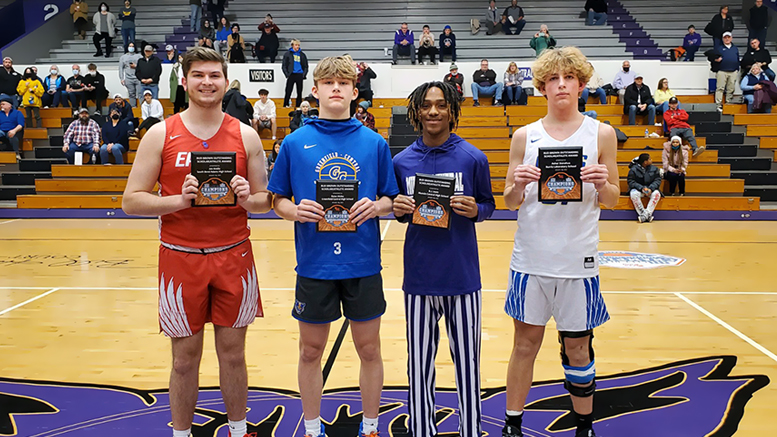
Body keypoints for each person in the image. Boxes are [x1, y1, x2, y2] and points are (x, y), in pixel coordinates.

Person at [122, 46, 272, 437]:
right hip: (180, 258)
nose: (207, 82)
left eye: (214, 75)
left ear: (225, 81)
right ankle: (181, 433)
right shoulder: (161, 133)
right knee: (184, 360)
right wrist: (178, 200)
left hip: (234, 256)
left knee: (234, 355)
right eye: (199, 75)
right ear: (185, 81)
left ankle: (240, 431)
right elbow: (131, 200)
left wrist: (245, 196)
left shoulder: (246, 135)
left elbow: (263, 201)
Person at [267, 55, 399, 437]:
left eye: (343, 83)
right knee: (310, 351)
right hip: (314, 264)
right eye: (328, 83)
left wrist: (377, 206)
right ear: (315, 90)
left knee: (370, 350)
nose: (336, 88)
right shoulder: (294, 142)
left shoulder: (374, 142)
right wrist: (294, 210)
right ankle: (312, 429)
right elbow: (277, 200)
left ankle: (371, 427)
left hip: (362, 263)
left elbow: (391, 199)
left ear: (355, 92)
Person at [501, 46, 620, 437]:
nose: (562, 85)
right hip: (531, 259)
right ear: (542, 88)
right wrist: (518, 183)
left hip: (578, 260)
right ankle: (512, 425)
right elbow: (509, 200)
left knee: (578, 348)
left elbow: (613, 198)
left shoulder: (601, 133)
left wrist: (604, 183)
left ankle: (584, 425)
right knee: (524, 346)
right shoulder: (525, 135)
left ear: (582, 84)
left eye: (569, 78)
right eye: (553, 79)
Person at [393, 80, 494, 437]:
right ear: (416, 112)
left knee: (468, 364)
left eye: (440, 105)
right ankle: (422, 430)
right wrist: (398, 208)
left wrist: (475, 210)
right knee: (419, 366)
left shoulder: (472, 157)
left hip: (463, 278)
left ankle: (471, 430)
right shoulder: (401, 162)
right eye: (426, 105)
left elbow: (489, 205)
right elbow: (398, 211)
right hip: (419, 279)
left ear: (452, 110)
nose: (433, 111)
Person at [627, 153, 662, 223]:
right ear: (645, 162)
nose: (651, 160)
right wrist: (642, 188)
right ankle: (645, 214)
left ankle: (645, 215)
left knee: (657, 194)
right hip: (638, 190)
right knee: (633, 194)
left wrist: (651, 189)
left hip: (650, 190)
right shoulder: (633, 170)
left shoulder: (655, 169)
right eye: (649, 159)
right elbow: (631, 181)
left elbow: (657, 180)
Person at [714, 32, 739, 112]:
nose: (727, 39)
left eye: (728, 37)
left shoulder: (735, 48)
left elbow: (737, 59)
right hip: (722, 71)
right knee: (720, 88)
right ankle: (718, 104)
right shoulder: (719, 48)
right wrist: (716, 60)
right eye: (725, 37)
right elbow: (712, 59)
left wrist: (737, 69)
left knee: (730, 88)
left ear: (731, 38)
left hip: (733, 71)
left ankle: (728, 104)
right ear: (723, 39)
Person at [282, 39, 308, 108]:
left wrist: (303, 75)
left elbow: (305, 66)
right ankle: (286, 104)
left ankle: (298, 105)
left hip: (299, 74)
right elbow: (284, 65)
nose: (297, 46)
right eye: (296, 45)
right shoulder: (287, 54)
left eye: (298, 45)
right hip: (291, 74)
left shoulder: (302, 55)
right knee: (288, 90)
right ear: (292, 45)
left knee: (299, 91)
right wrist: (287, 74)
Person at [0, 95, 24, 160]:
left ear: (9, 105)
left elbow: (20, 125)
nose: (1, 106)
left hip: (12, 131)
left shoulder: (18, 113)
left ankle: (16, 153)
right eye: (1, 104)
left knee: (13, 136)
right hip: (2, 131)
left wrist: (14, 130)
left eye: (3, 104)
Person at [119, 42, 142, 107]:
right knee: (131, 94)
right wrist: (121, 78)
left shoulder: (139, 56)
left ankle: (142, 107)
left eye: (132, 46)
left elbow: (143, 66)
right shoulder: (123, 57)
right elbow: (121, 68)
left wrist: (136, 66)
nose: (131, 48)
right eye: (130, 46)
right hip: (128, 78)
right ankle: (133, 107)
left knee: (140, 93)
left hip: (138, 78)